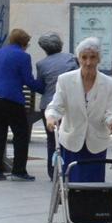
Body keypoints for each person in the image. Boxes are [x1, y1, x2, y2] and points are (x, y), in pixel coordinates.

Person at [42, 37, 112, 175]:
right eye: (84, 57)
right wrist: (51, 117)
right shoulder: (65, 80)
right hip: (72, 139)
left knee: (94, 187)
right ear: (78, 59)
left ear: (99, 59)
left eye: (93, 57)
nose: (88, 62)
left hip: (96, 142)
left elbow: (111, 110)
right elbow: (56, 106)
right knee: (70, 184)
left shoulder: (109, 83)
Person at [0, 29, 37, 181]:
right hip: (12, 99)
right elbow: (28, 80)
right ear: (23, 43)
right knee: (21, 134)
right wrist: (44, 87)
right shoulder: (24, 56)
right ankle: (18, 171)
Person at [34, 32, 78, 171]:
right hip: (68, 103)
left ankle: (52, 170)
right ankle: (68, 167)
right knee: (69, 136)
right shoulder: (71, 58)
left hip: (47, 105)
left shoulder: (41, 64)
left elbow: (41, 86)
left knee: (52, 139)